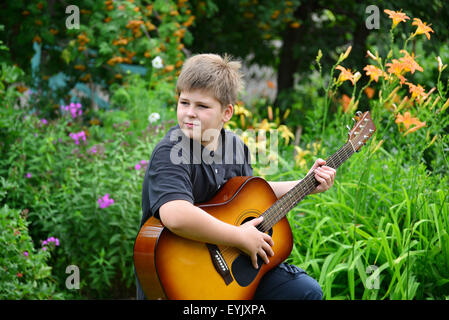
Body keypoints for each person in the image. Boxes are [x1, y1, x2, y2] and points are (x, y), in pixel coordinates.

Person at [136, 53, 336, 300]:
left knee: (305, 292)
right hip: (185, 276)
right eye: (184, 102)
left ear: (227, 112)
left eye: (202, 106)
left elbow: (248, 199)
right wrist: (239, 236)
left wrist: (305, 185)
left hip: (230, 270)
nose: (190, 113)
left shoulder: (235, 146)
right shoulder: (171, 152)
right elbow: (175, 214)